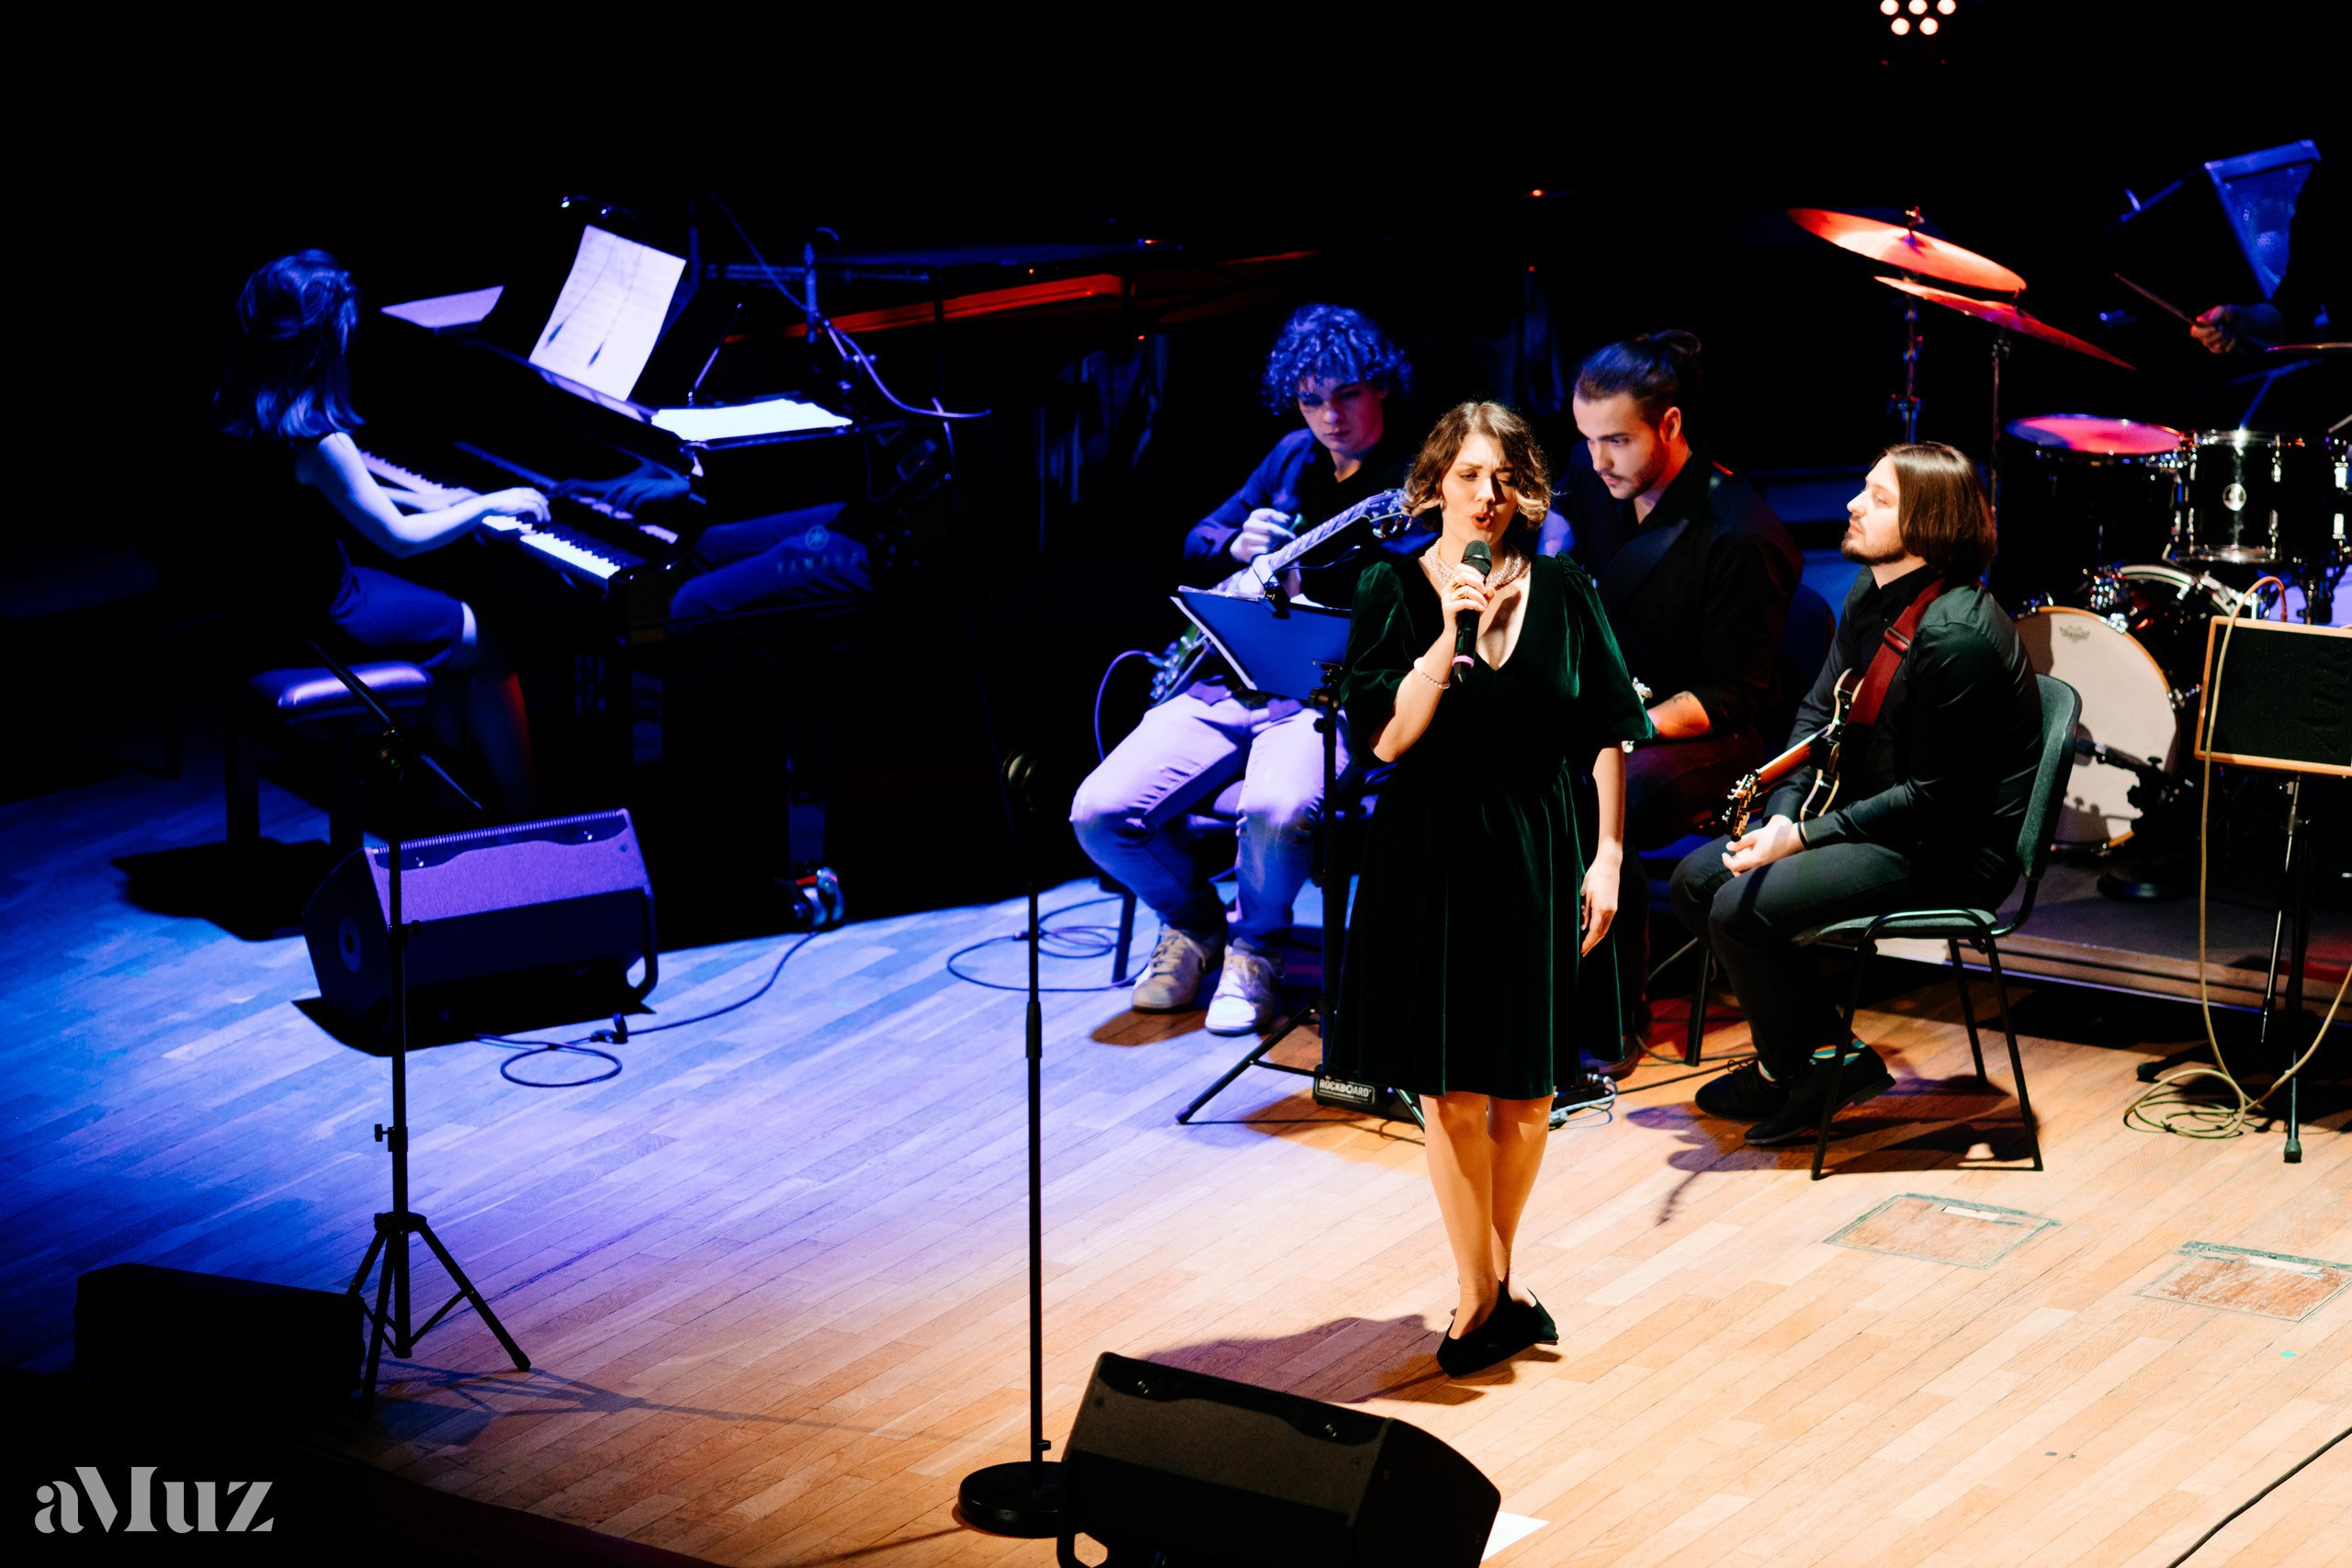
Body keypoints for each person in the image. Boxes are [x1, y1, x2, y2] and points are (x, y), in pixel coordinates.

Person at [1326, 401, 1650, 1377]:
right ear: (1434, 485)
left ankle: (1500, 1278)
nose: (1486, 493)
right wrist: (1445, 634)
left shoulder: (1564, 586)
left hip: (1538, 844)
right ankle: (1478, 1293)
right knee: (1450, 1093)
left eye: (1504, 477)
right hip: (1431, 845)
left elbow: (1602, 726)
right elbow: (1383, 739)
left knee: (1525, 1091)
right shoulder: (1388, 588)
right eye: (1468, 474)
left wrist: (1609, 856)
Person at [1668, 443, 2043, 1148]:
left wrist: (1804, 839)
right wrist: (1783, 819)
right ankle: (1810, 1062)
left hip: (1947, 849)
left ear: (1929, 523)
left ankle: (1805, 1068)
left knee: (1738, 910)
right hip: (1877, 814)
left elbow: (1938, 798)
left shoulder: (1956, 635)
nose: (1851, 504)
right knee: (1697, 882)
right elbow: (1818, 717)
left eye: (1877, 497)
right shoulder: (1871, 591)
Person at [1071, 305, 1425, 1034]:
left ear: (1381, 387)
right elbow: (1197, 536)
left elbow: (1421, 598)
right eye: (1311, 399)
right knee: (1099, 813)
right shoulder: (1291, 456)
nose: (1330, 416)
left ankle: (1256, 947)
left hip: (1318, 696)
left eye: (1347, 394)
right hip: (1226, 680)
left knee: (1277, 811)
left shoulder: (1415, 476)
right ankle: (1197, 924)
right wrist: (1239, 544)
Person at [1541, 333, 1799, 1070]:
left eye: (1617, 440)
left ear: (1672, 425)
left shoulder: (1742, 535)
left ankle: (1605, 1022)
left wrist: (1613, 728)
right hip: (1608, 714)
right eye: (1587, 440)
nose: (1596, 462)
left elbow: (1730, 696)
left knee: (1588, 799)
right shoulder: (1595, 483)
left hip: (1708, 735)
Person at [215, 251, 545, 812]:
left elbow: (344, 492)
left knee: (443, 640)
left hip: (270, 608)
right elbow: (400, 540)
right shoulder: (318, 438)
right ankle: (525, 810)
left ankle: (448, 804)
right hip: (328, 614)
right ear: (325, 343)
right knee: (486, 637)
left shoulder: (241, 408)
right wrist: (490, 502)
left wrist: (430, 497)